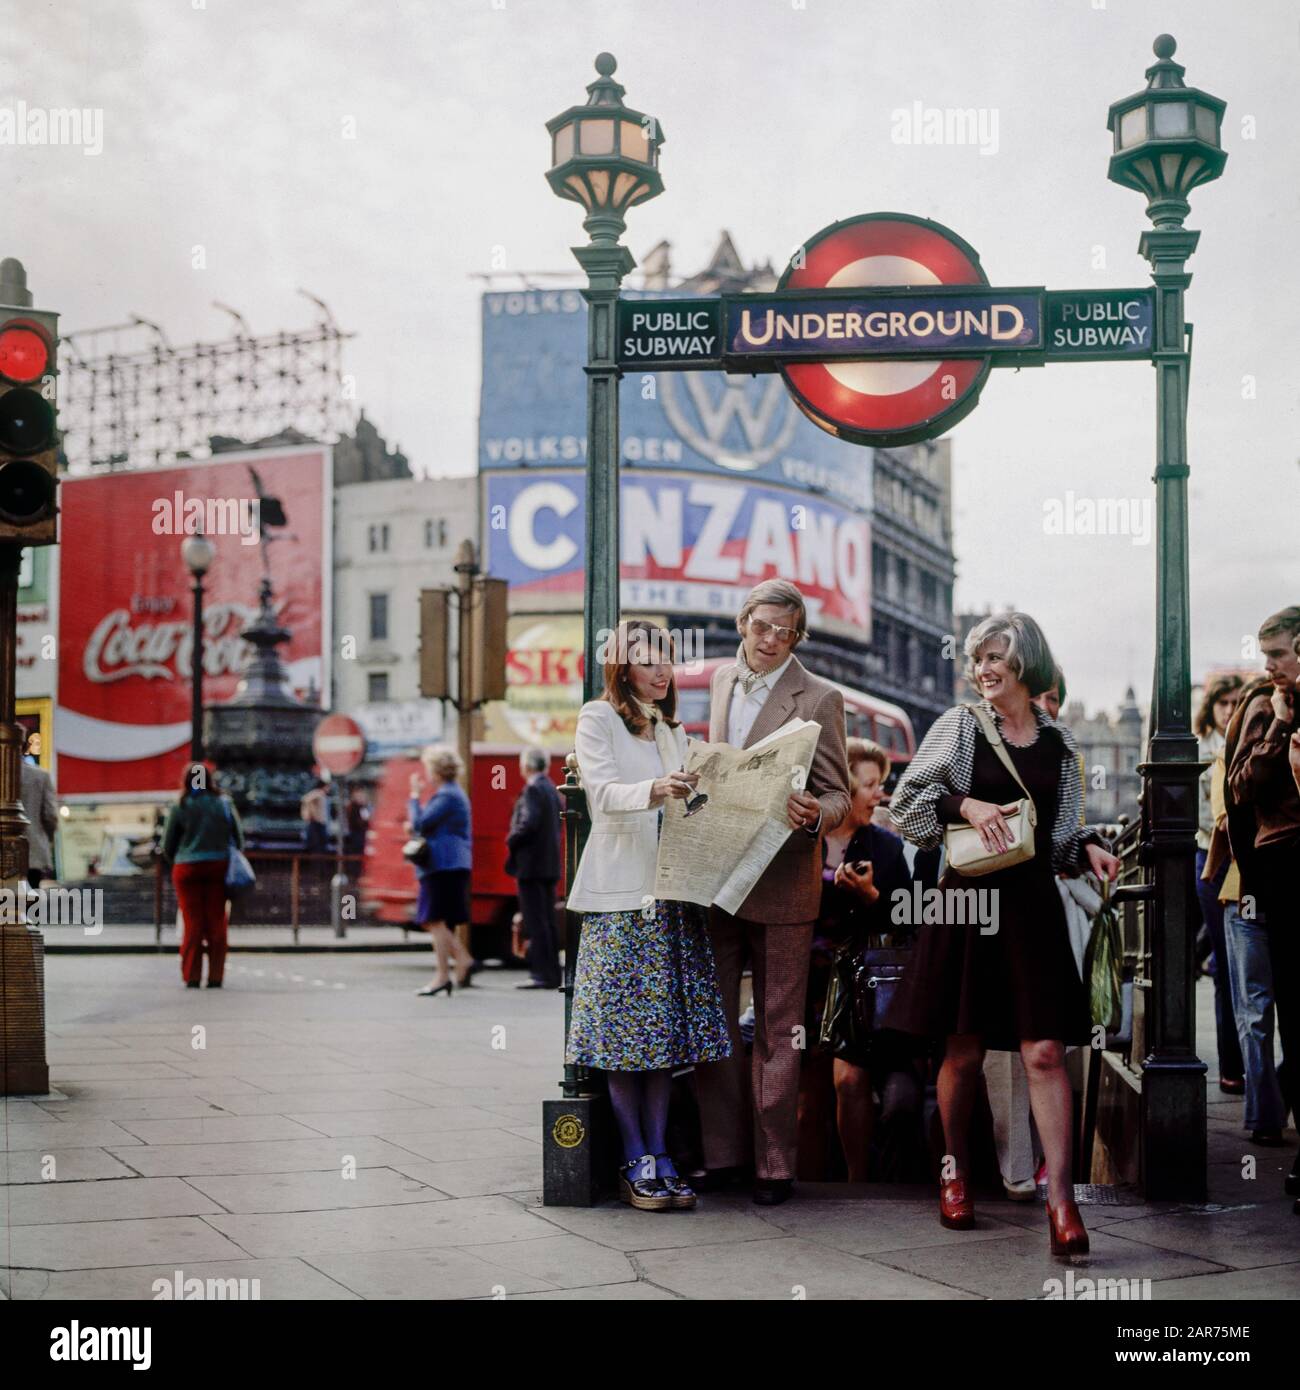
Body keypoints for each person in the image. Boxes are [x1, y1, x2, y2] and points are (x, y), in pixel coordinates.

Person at [888, 612, 1119, 1256]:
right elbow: (905, 803)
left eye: (997, 657)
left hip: (1031, 909)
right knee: (961, 1051)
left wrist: (1091, 847)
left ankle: (1062, 1199)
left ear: (1026, 664)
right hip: (966, 906)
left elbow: (1060, 840)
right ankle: (955, 1172)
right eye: (978, 658)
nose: (984, 669)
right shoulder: (961, 726)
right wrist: (968, 804)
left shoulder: (1062, 747)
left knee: (1044, 1051)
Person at [693, 579, 851, 1206]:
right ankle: (722, 1155)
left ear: (797, 636)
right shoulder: (721, 683)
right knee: (716, 1021)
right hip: (719, 874)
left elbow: (839, 794)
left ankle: (774, 1166)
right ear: (743, 622)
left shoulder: (820, 697)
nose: (768, 640)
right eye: (760, 626)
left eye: (783, 632)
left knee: (780, 1027)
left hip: (784, 879)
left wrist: (817, 812)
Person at [565, 619, 731, 1212]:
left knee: (660, 1041)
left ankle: (659, 1152)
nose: (662, 669)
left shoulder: (672, 728)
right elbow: (601, 794)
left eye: (667, 658)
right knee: (621, 1041)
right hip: (618, 897)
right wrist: (658, 789)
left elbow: (695, 805)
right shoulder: (598, 717)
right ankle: (634, 1156)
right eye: (648, 658)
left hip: (669, 894)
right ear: (622, 666)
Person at [802, 737, 917, 1182]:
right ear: (840, 785)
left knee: (849, 1081)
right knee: (806, 1099)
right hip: (805, 984)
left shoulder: (885, 848)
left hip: (860, 992)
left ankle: (857, 1182)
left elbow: (907, 920)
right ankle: (804, 1187)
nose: (879, 795)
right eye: (869, 785)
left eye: (880, 785)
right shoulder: (802, 838)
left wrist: (871, 897)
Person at [1227, 605, 1300, 1210]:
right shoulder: (1262, 704)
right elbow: (1241, 786)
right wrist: (1277, 726)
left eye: (1277, 654)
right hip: (1282, 864)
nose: (1267, 665)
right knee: (1273, 1004)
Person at [1207, 679, 1286, 1145]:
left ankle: (1275, 1097)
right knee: (1254, 1009)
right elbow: (1226, 814)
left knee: (1261, 1006)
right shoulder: (1227, 763)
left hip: (1278, 889)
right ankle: (1264, 1115)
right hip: (1246, 890)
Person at [1195, 673, 1245, 1093]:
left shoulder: (1245, 742)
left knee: (1240, 966)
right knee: (1227, 966)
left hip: (1245, 860)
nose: (1229, 709)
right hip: (1210, 858)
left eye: (1235, 702)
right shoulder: (1201, 749)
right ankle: (1232, 1067)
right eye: (1222, 703)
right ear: (1211, 707)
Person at [162, 761, 243, 989]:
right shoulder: (224, 803)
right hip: (218, 866)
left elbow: (168, 845)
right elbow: (239, 839)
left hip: (187, 869)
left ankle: (192, 976)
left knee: (192, 923)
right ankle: (216, 976)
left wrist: (181, 855)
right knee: (217, 922)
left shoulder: (180, 805)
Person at [408, 745, 475, 996]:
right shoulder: (453, 794)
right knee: (437, 921)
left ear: (436, 771)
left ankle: (452, 966)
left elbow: (420, 824)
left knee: (433, 919)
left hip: (442, 864)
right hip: (450, 863)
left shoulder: (447, 795)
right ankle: (446, 972)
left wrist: (414, 796)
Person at [506, 746, 563, 990]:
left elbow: (528, 823)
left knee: (535, 921)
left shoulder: (532, 790)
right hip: (549, 864)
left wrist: (512, 839)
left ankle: (541, 974)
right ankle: (551, 974)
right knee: (547, 921)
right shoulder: (551, 789)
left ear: (526, 766)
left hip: (531, 866)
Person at [19, 753, 59, 890]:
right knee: (32, 898)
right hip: (32, 849)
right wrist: (49, 838)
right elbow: (50, 814)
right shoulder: (40, 776)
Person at [301, 778, 330, 854]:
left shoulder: (323, 795)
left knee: (322, 845)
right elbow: (305, 799)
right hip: (317, 823)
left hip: (322, 822)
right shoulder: (318, 793)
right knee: (317, 845)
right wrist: (310, 813)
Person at [343, 785, 370, 857]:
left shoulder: (362, 807)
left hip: (361, 832)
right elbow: (353, 820)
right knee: (355, 852)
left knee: (360, 851)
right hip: (355, 832)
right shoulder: (352, 806)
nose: (362, 797)